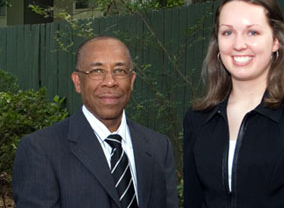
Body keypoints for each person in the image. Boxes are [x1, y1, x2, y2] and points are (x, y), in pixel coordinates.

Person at [183, 0, 284, 208]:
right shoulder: (197, 120)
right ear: (217, 42)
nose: (239, 44)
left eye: (253, 32)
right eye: (228, 32)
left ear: (275, 41)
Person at [12, 36, 179, 208]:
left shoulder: (158, 147)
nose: (110, 82)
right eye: (97, 71)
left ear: (132, 80)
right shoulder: (41, 150)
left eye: (120, 71)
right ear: (77, 82)